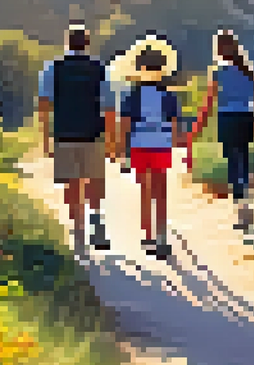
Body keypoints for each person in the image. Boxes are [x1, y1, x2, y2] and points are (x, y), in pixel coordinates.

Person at [37, 22, 114, 255]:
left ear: (67, 43)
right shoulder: (100, 69)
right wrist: (110, 140)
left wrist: (45, 137)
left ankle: (78, 229)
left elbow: (44, 104)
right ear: (87, 44)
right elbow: (109, 106)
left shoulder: (53, 68)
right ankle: (96, 219)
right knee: (94, 178)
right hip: (92, 131)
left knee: (71, 182)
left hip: (64, 131)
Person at [188, 29, 254, 233]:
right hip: (246, 118)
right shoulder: (248, 71)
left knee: (233, 163)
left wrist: (198, 126)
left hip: (227, 118)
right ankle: (246, 203)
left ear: (219, 49)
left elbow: (209, 103)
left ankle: (242, 209)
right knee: (244, 160)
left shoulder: (217, 72)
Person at [116, 33, 184, 259]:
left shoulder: (132, 96)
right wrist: (174, 144)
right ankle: (162, 235)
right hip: (161, 144)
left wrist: (120, 150)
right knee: (160, 190)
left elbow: (125, 124)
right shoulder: (169, 96)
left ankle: (147, 236)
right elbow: (175, 125)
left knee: (145, 190)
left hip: (139, 144)